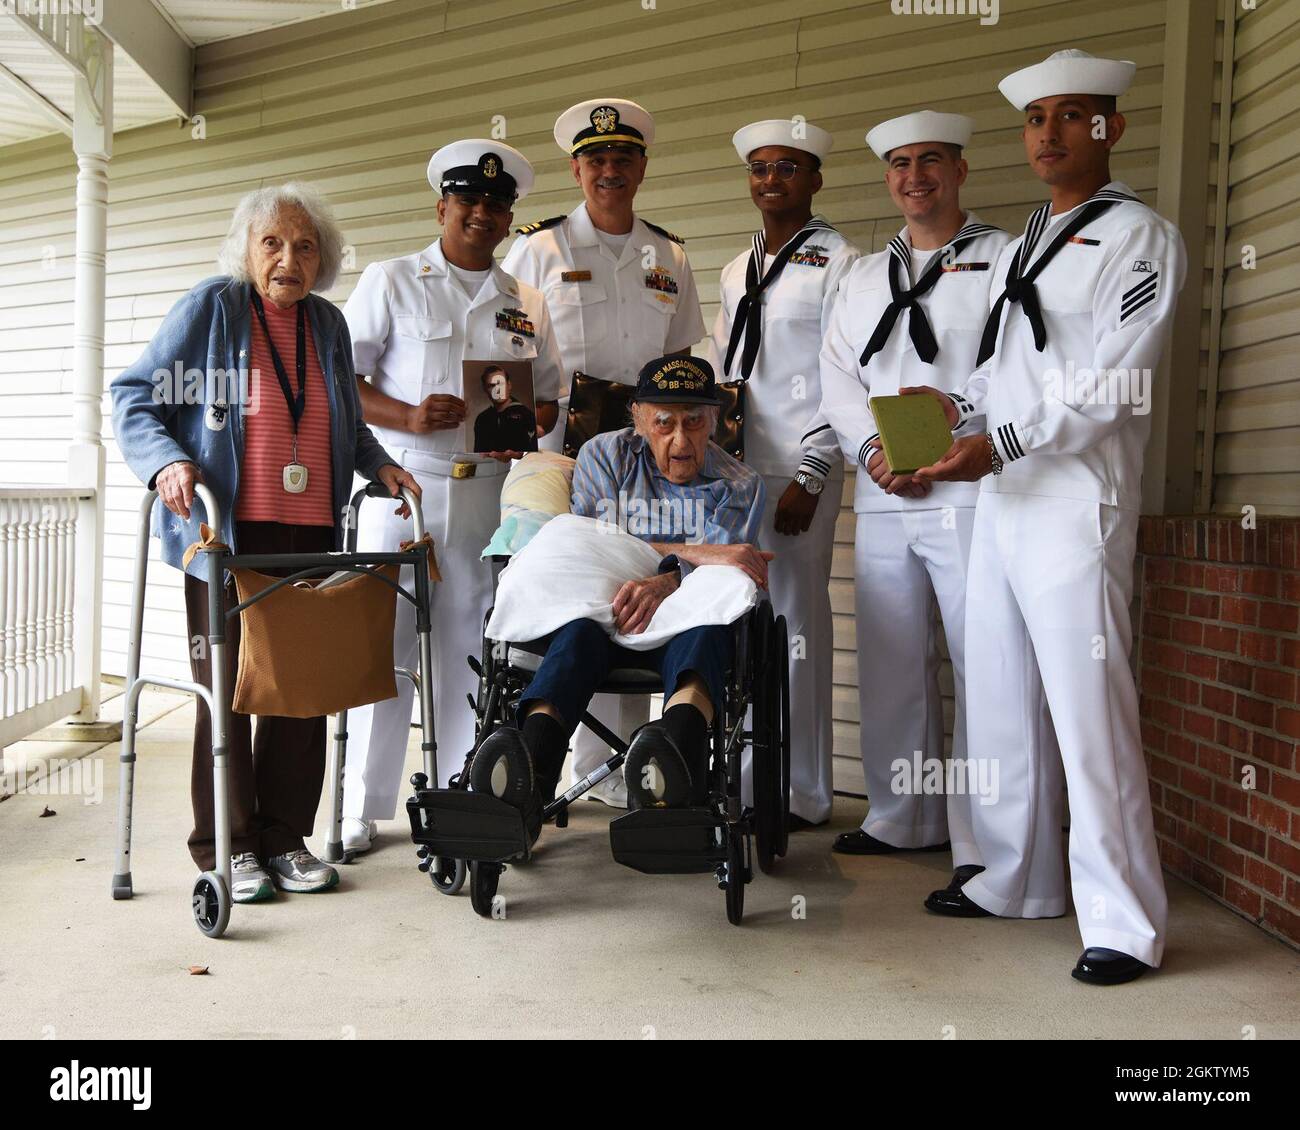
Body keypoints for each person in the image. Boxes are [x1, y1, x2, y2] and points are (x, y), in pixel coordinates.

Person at [910, 49, 1186, 986]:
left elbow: (1119, 377)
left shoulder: (1138, 237)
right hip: (1003, 494)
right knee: (997, 696)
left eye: (1073, 116)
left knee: (1088, 710)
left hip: (1075, 501)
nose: (1051, 134)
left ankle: (1123, 921)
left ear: (1110, 127)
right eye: (1036, 120)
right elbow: (1002, 365)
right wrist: (962, 412)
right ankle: (1013, 877)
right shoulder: (1027, 238)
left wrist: (1009, 440)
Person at [110, 183, 420, 902]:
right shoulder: (213, 309)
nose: (289, 258)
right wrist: (166, 460)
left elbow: (347, 418)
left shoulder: (329, 327)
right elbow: (134, 394)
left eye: (305, 246)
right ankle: (228, 844)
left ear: (324, 258)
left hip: (310, 524)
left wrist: (380, 465)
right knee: (228, 690)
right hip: (224, 530)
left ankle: (285, 838)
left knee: (299, 688)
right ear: (247, 250)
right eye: (273, 243)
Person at [338, 140, 564, 855]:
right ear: (442, 207)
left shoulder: (525, 300)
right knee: (384, 648)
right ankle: (361, 807)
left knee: (476, 647)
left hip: (490, 496)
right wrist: (406, 416)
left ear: (507, 221)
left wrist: (524, 423)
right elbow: (343, 379)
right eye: (468, 201)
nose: (482, 214)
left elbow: (552, 399)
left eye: (497, 206)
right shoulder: (393, 279)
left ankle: (462, 789)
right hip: (405, 486)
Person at [466, 356, 768, 839]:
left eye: (694, 422)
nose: (681, 441)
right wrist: (689, 553)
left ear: (714, 420)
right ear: (638, 417)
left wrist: (668, 579)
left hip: (686, 618)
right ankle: (528, 769)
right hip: (606, 609)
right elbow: (594, 543)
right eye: (664, 423)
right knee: (576, 634)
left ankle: (676, 760)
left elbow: (723, 569)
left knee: (720, 602)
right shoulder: (603, 456)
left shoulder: (740, 484)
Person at [819, 112, 1010, 868]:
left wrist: (958, 416)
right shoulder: (864, 275)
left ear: (960, 169)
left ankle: (988, 842)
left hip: (967, 486)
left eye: (931, 160)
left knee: (980, 660)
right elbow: (837, 376)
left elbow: (1014, 362)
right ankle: (903, 818)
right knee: (891, 658)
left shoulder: (1002, 259)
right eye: (899, 163)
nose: (914, 176)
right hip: (884, 489)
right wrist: (868, 450)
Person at [503, 97, 706, 808]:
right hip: (569, 444)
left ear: (642, 166)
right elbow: (511, 350)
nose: (609, 170)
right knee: (579, 586)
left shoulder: (669, 254)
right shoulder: (539, 248)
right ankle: (575, 759)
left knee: (644, 574)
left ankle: (624, 774)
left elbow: (684, 358)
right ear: (577, 168)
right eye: (596, 160)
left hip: (656, 445)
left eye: (623, 158)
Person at [707, 118, 858, 828]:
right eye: (759, 168)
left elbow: (845, 373)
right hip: (737, 467)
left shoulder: (841, 263)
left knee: (796, 623)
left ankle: (800, 791)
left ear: (816, 178)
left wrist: (819, 469)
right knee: (745, 623)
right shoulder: (738, 268)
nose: (771, 180)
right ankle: (745, 779)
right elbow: (723, 367)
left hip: (799, 469)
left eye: (787, 168)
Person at [472, 365, 537, 454]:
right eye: (491, 386)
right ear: (485, 389)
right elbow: (478, 453)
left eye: (501, 384)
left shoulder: (527, 415)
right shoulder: (482, 419)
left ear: (509, 385)